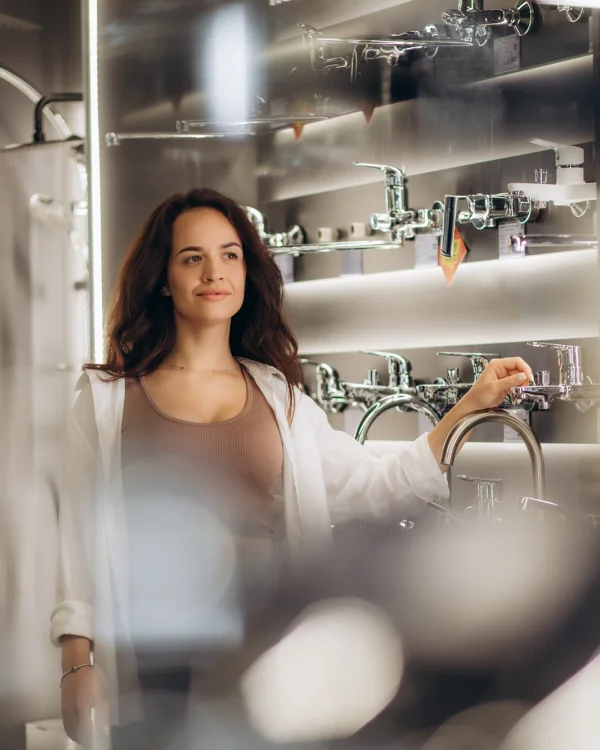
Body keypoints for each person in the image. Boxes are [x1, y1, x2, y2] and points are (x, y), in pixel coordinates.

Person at [50, 187, 533, 748]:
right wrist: (76, 662)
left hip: (260, 661)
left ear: (247, 272)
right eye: (192, 257)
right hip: (149, 662)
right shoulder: (106, 398)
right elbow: (71, 538)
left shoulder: (279, 398)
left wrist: (466, 409)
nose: (214, 271)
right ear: (163, 278)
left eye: (230, 255)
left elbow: (373, 486)